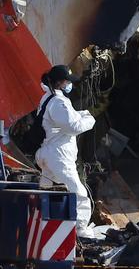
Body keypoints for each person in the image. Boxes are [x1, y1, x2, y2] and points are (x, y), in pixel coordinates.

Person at [35, 65, 96, 238]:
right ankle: (81, 231)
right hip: (58, 155)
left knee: (47, 191)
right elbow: (73, 126)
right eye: (68, 81)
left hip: (49, 152)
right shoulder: (58, 102)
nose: (70, 84)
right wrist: (89, 119)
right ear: (60, 82)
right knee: (79, 193)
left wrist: (81, 113)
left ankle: (43, 226)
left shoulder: (48, 98)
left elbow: (66, 119)